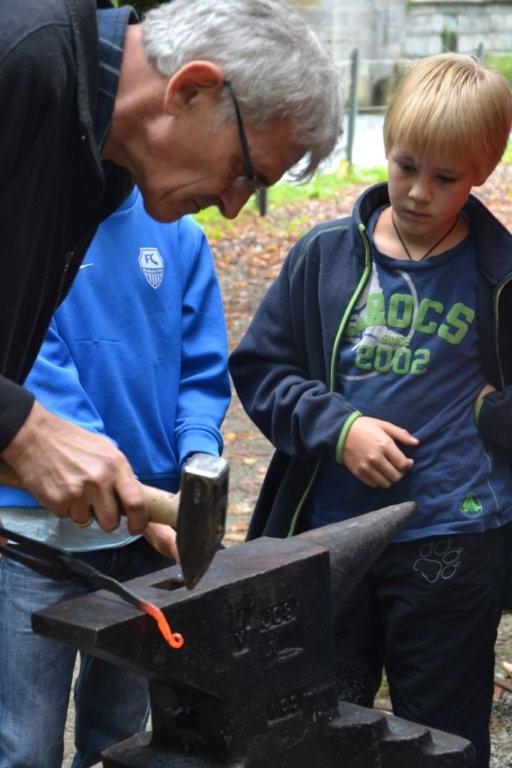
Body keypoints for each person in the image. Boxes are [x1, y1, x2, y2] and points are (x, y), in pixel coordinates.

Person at [229, 53, 512, 768]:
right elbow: (262, 369)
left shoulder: (501, 274)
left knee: (443, 738)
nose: (417, 192)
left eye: (445, 178)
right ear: (386, 143)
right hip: (332, 538)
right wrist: (339, 428)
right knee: (323, 724)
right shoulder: (324, 257)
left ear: (483, 170)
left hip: (453, 541)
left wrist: (496, 417)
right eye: (405, 165)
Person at [0, 0, 341, 537]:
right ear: (191, 89)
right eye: (244, 173)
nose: (232, 207)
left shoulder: (105, 169)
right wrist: (23, 429)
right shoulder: (20, 58)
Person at [0, 184, 231, 768]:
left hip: (147, 548)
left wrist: (196, 464)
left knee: (120, 737)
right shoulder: (36, 223)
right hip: (36, 541)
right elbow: (34, 366)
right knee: (25, 745)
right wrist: (124, 484)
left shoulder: (181, 237)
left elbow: (202, 372)